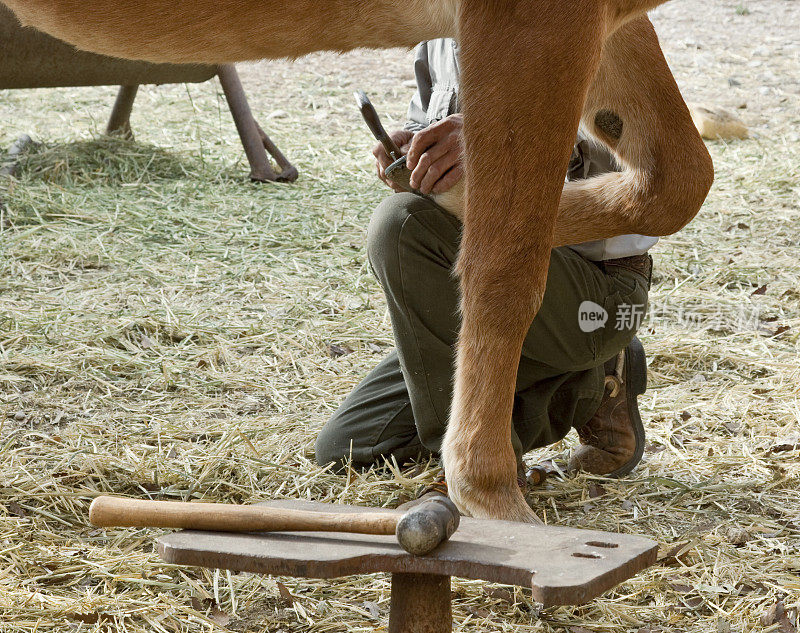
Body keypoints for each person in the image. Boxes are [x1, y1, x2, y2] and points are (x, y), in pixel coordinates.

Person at [316, 38, 654, 500]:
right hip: (492, 283)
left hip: (593, 286)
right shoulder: (436, 31)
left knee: (400, 226)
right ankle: (592, 384)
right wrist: (411, 149)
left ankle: (482, 469)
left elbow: (635, 155)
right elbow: (432, 129)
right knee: (352, 448)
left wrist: (493, 137)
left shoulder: (579, 16)